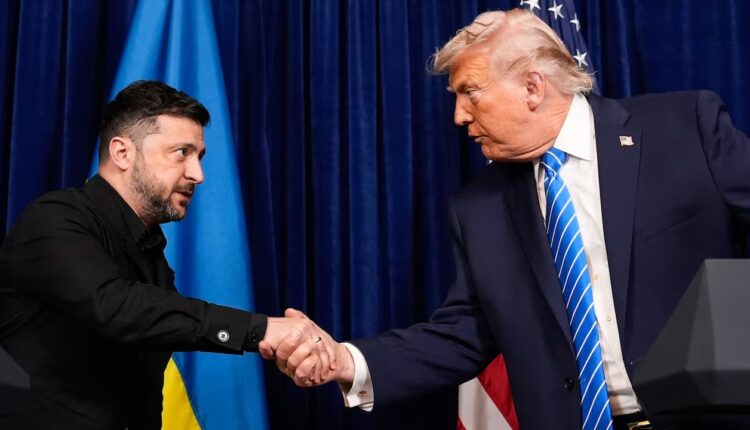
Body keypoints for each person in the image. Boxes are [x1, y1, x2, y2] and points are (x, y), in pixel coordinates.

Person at [265, 9, 750, 430]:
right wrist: (344, 360)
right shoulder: (479, 209)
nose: (458, 116)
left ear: (532, 87)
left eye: (470, 92)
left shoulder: (685, 127)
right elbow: (464, 334)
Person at [0, 80, 333, 429]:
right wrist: (262, 330)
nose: (198, 174)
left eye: (199, 156)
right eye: (181, 153)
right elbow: (116, 306)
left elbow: (150, 359)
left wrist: (283, 347)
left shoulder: (152, 256)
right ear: (122, 153)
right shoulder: (53, 218)